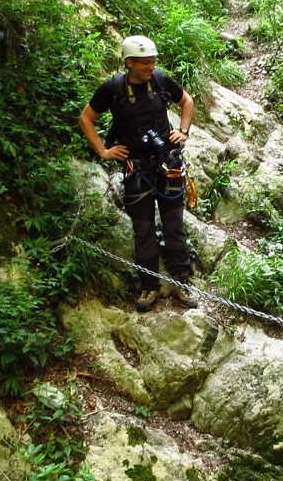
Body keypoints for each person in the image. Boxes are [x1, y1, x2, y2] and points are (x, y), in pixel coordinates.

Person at [79, 35, 199, 312]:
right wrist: (103, 151)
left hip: (167, 164)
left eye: (152, 61)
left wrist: (182, 131)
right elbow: (86, 118)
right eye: (144, 63)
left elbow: (187, 101)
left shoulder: (159, 80)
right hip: (136, 169)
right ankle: (150, 285)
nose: (150, 67)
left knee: (174, 224)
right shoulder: (113, 89)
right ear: (129, 63)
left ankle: (182, 278)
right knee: (143, 229)